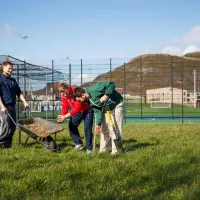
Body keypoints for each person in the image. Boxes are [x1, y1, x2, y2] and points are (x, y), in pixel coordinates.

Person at [72, 82, 124, 155]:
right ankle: (103, 151)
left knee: (115, 128)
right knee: (104, 129)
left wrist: (106, 95)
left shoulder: (95, 89)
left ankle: (115, 151)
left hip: (116, 104)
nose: (80, 102)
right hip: (106, 108)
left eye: (80, 100)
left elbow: (111, 84)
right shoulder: (88, 101)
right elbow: (97, 111)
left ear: (83, 95)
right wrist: (98, 124)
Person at [57, 82, 93, 153]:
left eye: (64, 92)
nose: (62, 94)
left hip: (87, 110)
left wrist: (65, 116)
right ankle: (78, 144)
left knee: (87, 128)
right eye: (60, 92)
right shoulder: (63, 96)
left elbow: (78, 107)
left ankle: (89, 148)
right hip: (77, 112)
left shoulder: (75, 92)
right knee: (71, 126)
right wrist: (62, 115)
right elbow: (65, 106)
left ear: (68, 89)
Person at [0, 61, 29, 148]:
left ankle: (7, 144)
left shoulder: (13, 81)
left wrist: (25, 102)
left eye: (12, 68)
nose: (11, 70)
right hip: (3, 106)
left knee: (13, 126)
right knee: (5, 122)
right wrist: (2, 106)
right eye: (9, 68)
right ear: (3, 68)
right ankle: (1, 141)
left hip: (12, 107)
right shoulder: (0, 80)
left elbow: (19, 93)